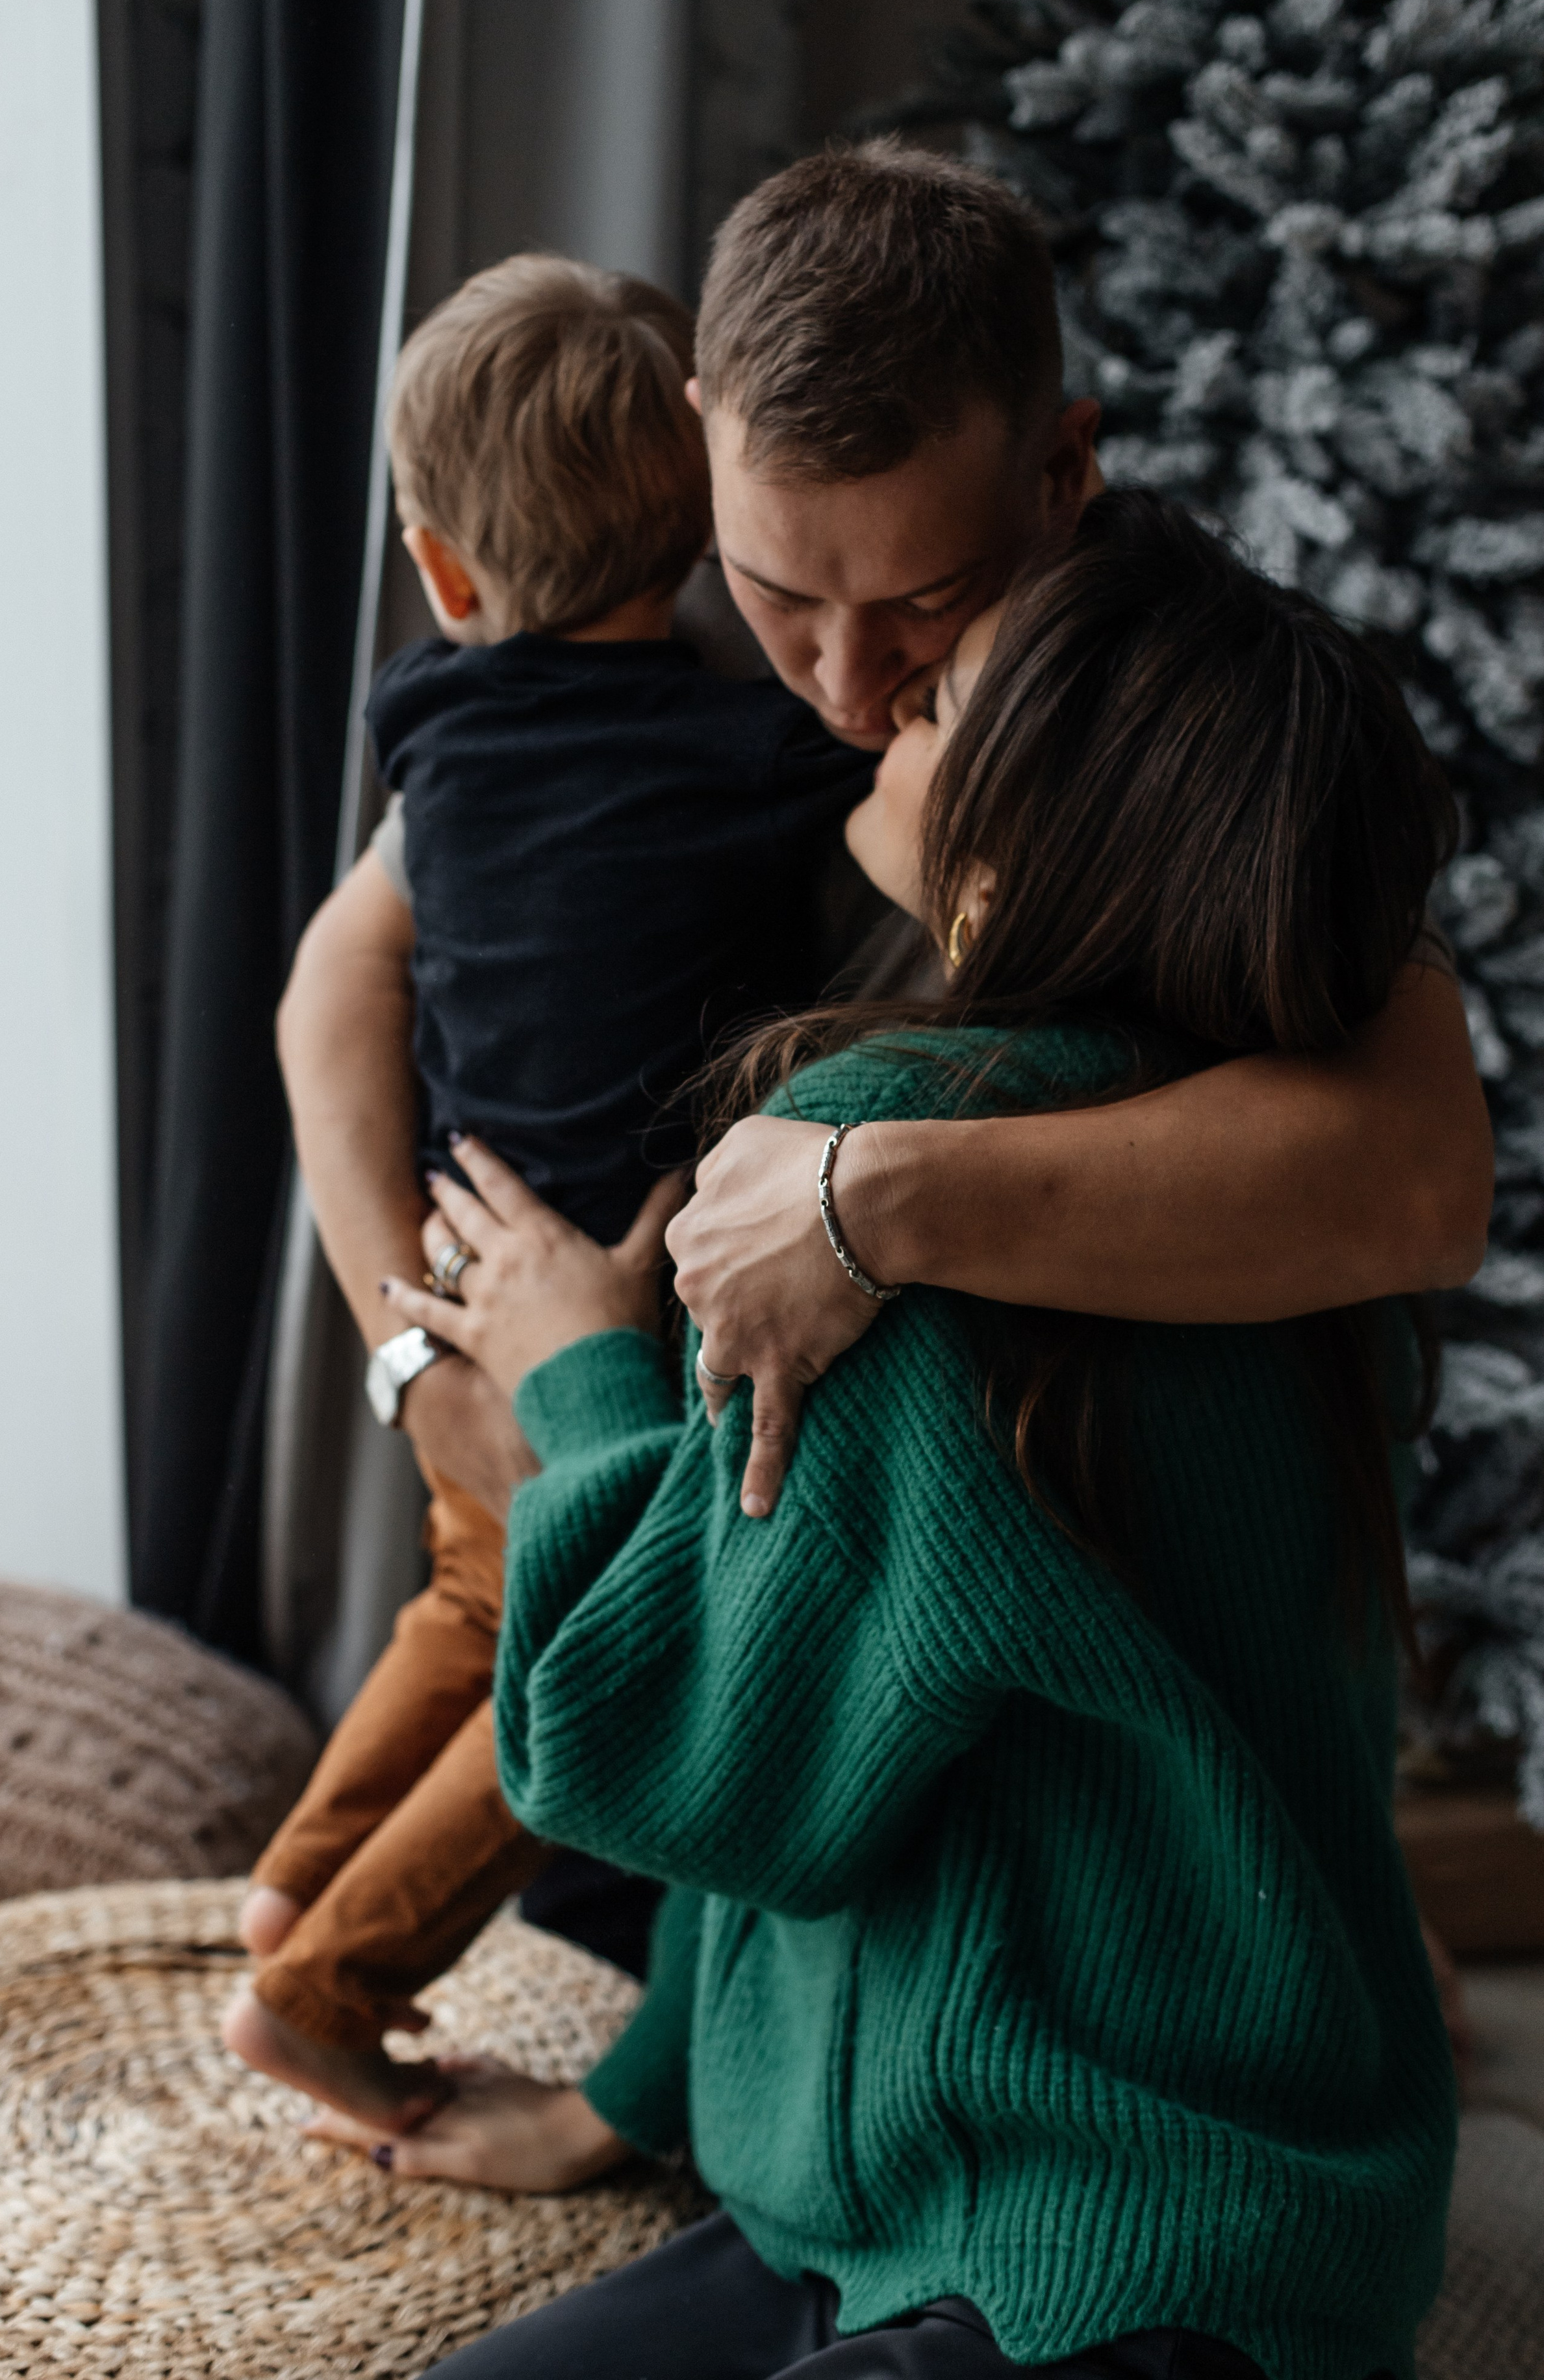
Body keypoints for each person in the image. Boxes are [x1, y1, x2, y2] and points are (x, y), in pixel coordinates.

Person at [351, 488, 1461, 2377]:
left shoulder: (863, 1211)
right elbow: (844, 1765)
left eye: (940, 691)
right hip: (938, 2215)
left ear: (1018, 871)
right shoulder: (1270, 1175)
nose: (871, 703)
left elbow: (660, 1751)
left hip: (1103, 2260)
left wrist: (579, 1377)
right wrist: (635, 2099)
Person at [277, 139, 1489, 1549]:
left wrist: (865, 1202)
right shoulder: (622, 624)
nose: (844, 687)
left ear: (1059, 471)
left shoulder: (1160, 705)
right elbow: (338, 981)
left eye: (930, 599)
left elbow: (1416, 1177)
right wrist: (419, 1374)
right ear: (696, 443)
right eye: (778, 590)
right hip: (575, 1432)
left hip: (903, 1509)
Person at [223, 254, 870, 2132]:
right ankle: (328, 1986)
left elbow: (351, 980)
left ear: (438, 566)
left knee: (464, 1598)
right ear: (709, 519)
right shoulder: (761, 753)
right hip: (620, 1318)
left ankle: (301, 1874)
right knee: (581, 1665)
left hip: (454, 1273)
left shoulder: (428, 736)